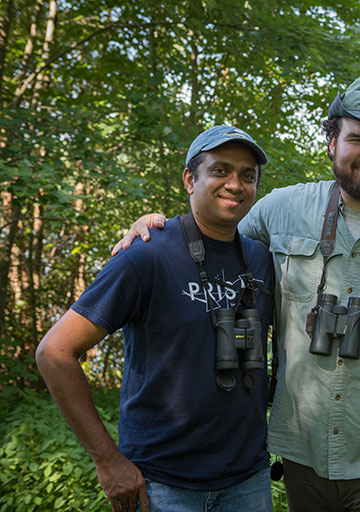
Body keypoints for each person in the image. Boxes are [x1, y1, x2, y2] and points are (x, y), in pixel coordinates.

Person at [111, 76, 360, 511]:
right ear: (331, 140)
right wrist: (154, 227)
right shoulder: (280, 209)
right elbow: (209, 245)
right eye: (357, 138)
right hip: (301, 457)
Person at [36, 126, 275, 512]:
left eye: (248, 176)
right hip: (162, 484)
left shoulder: (261, 259)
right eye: (220, 170)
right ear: (189, 179)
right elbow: (55, 352)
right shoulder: (146, 254)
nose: (235, 183)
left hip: (248, 479)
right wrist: (108, 461)